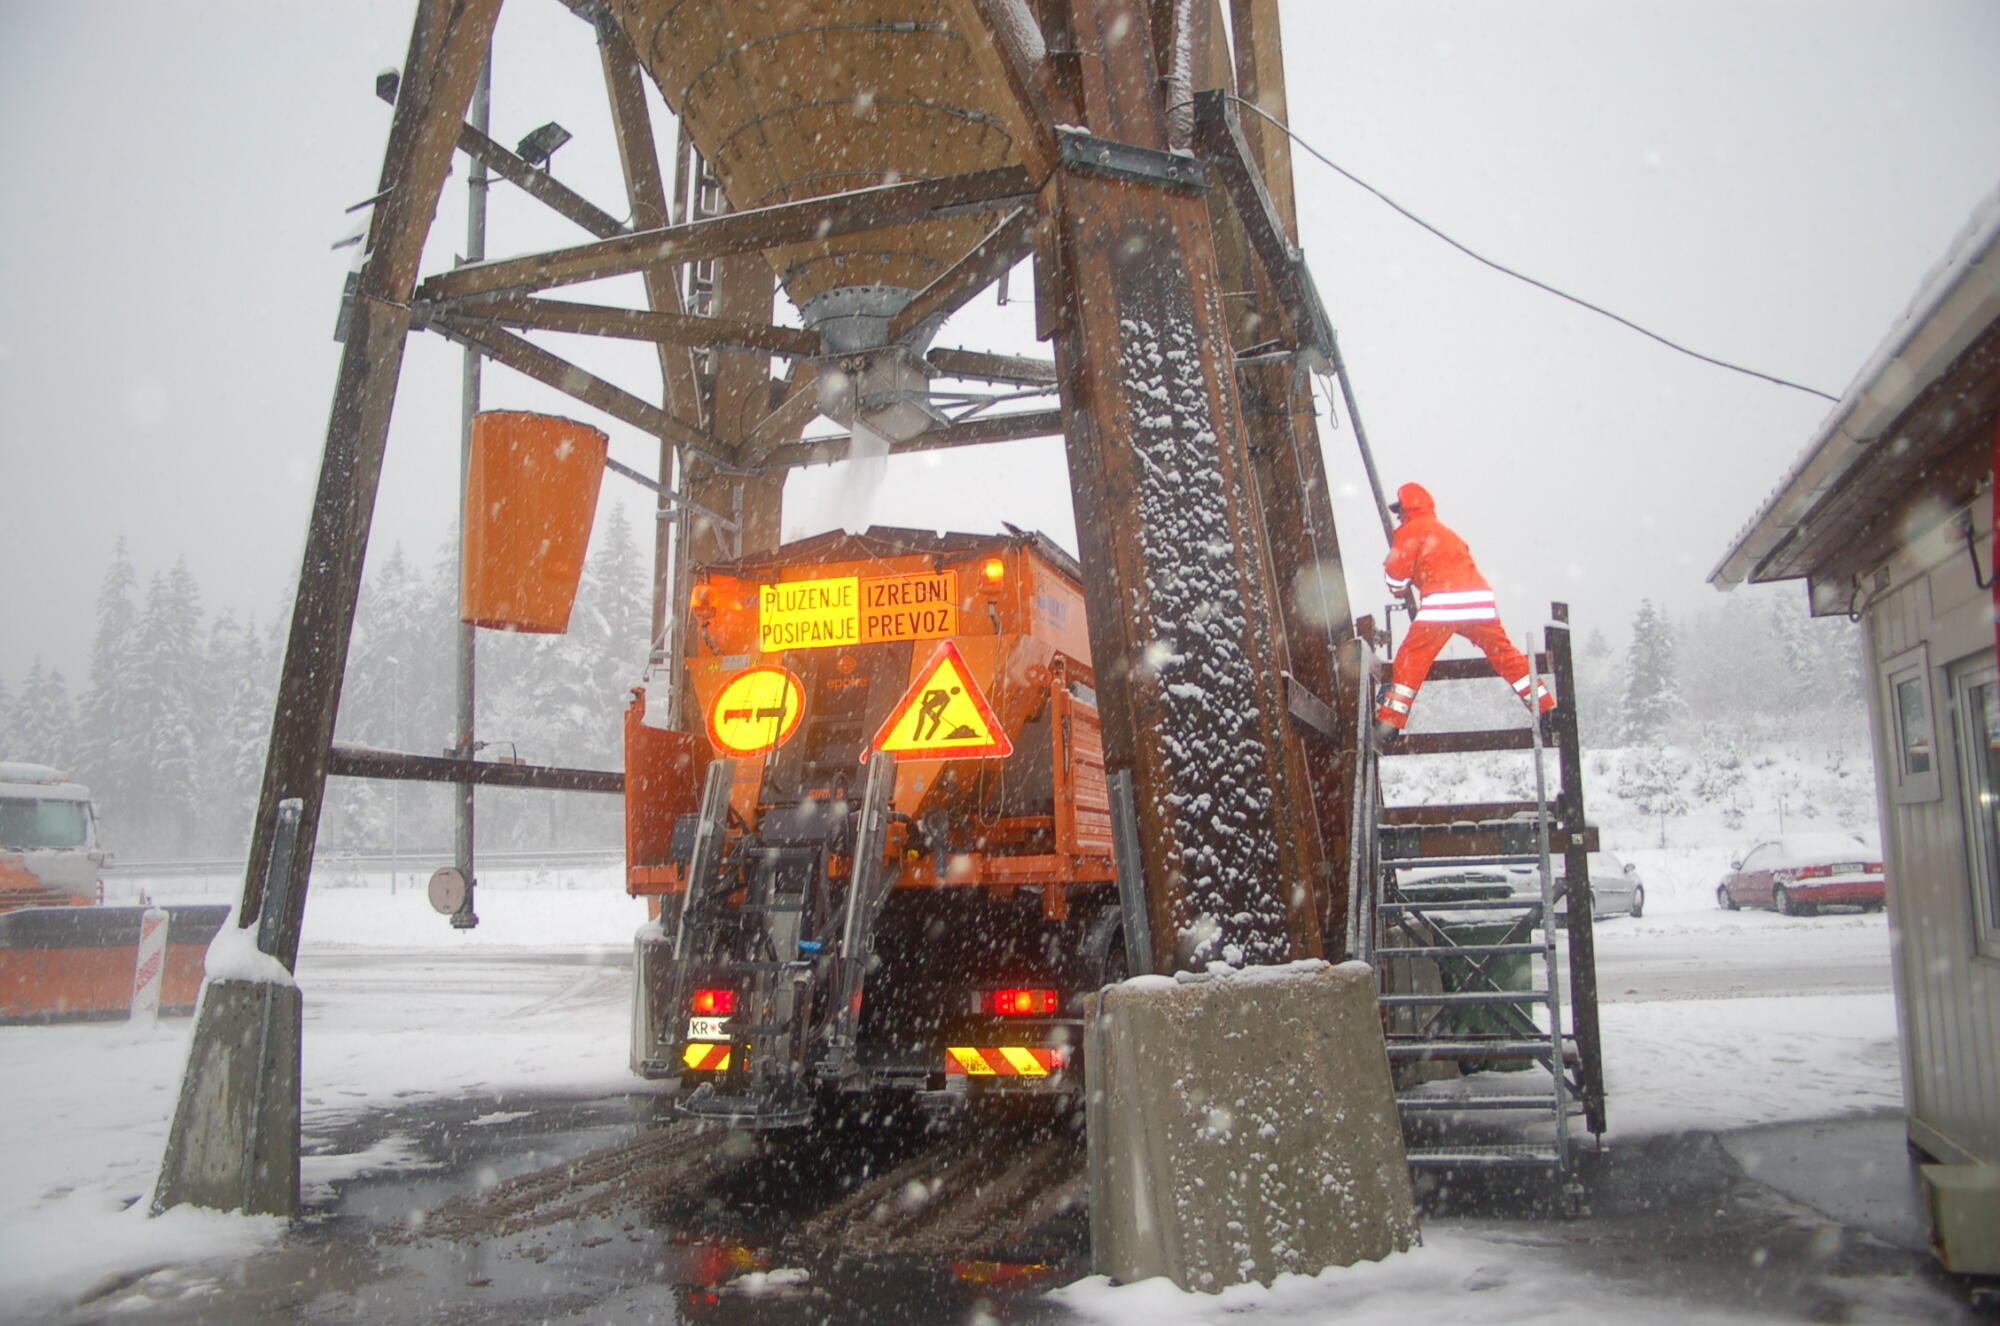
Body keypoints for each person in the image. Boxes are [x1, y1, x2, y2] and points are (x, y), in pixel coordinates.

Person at [1374, 481, 1555, 745]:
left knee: (1411, 659)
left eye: (1398, 510)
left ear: (1405, 509)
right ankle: (1546, 708)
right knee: (1505, 655)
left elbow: (1396, 581)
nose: (1398, 516)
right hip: (1479, 601)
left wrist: (1403, 579)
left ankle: (1390, 722)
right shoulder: (1448, 533)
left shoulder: (1409, 532)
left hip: (1442, 604)